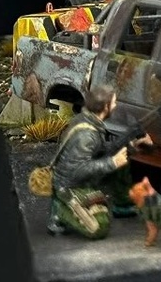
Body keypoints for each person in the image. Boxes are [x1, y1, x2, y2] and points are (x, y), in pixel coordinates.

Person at [48, 84, 152, 238]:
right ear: (105, 107)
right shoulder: (86, 136)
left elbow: (102, 150)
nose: (115, 106)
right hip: (70, 186)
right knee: (99, 228)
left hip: (78, 177)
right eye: (114, 103)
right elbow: (78, 170)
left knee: (121, 156)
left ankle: (121, 205)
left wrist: (132, 145)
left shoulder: (89, 120)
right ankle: (60, 211)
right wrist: (112, 162)